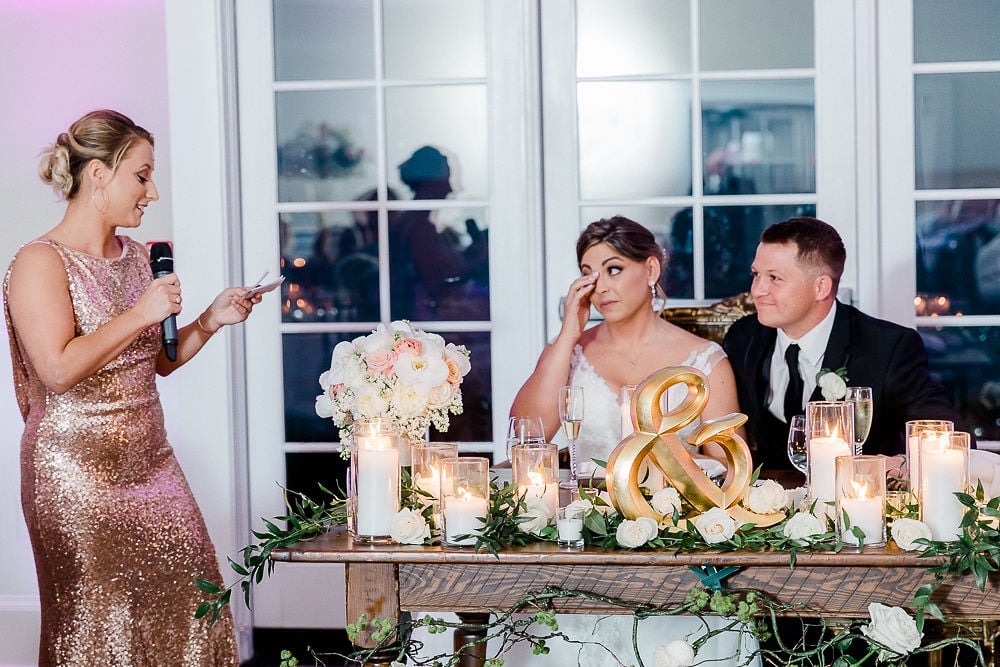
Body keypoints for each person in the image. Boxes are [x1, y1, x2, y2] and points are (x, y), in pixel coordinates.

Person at [3, 110, 259, 665]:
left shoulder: (140, 259)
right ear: (99, 174)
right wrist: (142, 312)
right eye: (141, 175)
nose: (153, 191)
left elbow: (156, 363)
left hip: (152, 464)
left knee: (194, 606)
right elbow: (58, 370)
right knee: (98, 629)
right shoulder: (38, 262)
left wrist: (209, 321)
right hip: (74, 477)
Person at [501, 216, 756, 666]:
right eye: (588, 272)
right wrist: (567, 335)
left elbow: (728, 464)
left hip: (674, 540)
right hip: (584, 535)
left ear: (652, 271)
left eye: (614, 268)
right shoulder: (572, 351)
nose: (599, 285)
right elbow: (528, 433)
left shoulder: (705, 359)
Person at [723, 216, 969, 471]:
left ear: (821, 287)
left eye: (774, 278)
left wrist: (889, 467)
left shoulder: (887, 348)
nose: (757, 290)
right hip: (764, 504)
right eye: (756, 274)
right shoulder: (743, 338)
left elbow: (950, 446)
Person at [389, 145, 489, 321]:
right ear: (429, 182)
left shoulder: (413, 222)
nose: (451, 189)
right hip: (423, 317)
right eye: (447, 178)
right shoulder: (419, 227)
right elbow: (436, 284)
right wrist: (476, 261)